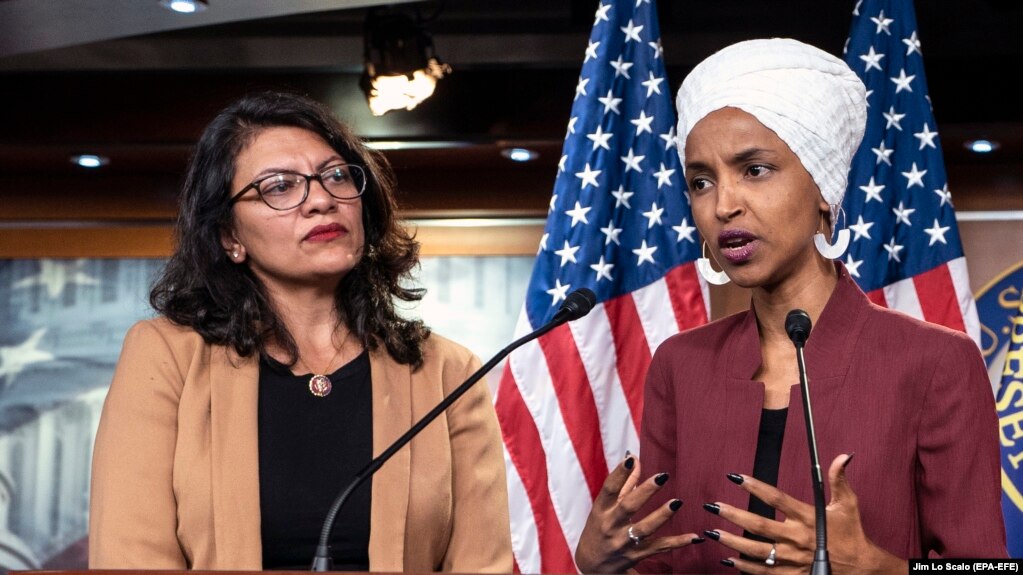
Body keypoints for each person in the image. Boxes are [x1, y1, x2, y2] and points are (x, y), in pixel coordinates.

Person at [574, 38, 1007, 574]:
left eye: (754, 169)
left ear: (824, 187)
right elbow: (663, 563)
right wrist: (598, 566)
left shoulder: (935, 361)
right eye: (701, 181)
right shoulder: (680, 365)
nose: (723, 204)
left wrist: (877, 568)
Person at [88, 90, 513, 572]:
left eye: (335, 176)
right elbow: (130, 557)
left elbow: (482, 564)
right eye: (280, 186)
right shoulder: (165, 355)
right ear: (230, 237)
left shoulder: (446, 371)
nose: (321, 201)